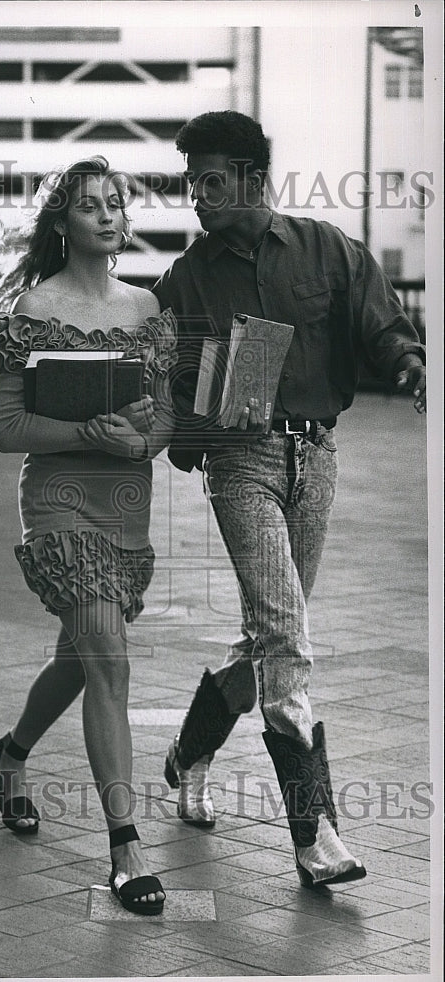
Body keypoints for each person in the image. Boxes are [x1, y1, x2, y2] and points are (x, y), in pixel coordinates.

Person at [153, 111, 426, 888]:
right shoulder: (186, 280)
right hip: (240, 464)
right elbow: (176, 402)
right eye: (188, 181)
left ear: (248, 178)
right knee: (287, 636)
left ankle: (190, 752)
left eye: (209, 178)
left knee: (273, 635)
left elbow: (381, 326)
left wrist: (409, 364)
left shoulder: (327, 249)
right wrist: (207, 414)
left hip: (319, 454)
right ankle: (317, 836)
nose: (195, 196)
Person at [0, 156, 177, 915]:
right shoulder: (29, 309)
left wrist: (140, 440)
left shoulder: (149, 310)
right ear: (63, 221)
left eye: (117, 202)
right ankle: (126, 847)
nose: (108, 214)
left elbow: (166, 421)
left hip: (125, 501)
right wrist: (90, 429)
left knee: (84, 658)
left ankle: (8, 760)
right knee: (108, 656)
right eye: (90, 205)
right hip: (57, 501)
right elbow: (10, 429)